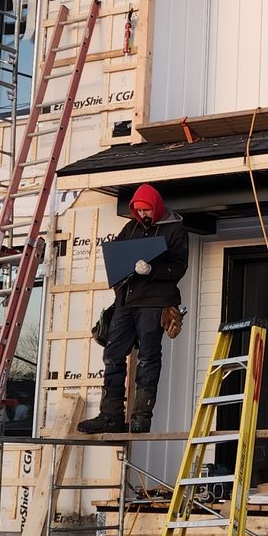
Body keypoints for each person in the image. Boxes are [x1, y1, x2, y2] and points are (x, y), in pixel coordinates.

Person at [78, 183, 188, 434]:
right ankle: (110, 416)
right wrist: (118, 287)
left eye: (146, 210)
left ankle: (141, 417)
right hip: (126, 302)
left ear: (157, 207)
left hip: (155, 302)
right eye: (138, 211)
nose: (143, 215)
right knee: (113, 355)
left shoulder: (175, 230)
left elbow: (179, 267)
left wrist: (153, 270)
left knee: (148, 357)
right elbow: (116, 258)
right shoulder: (131, 228)